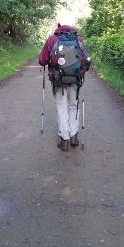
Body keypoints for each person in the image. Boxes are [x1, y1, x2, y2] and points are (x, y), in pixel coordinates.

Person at [38, 24, 91, 152]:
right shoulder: (78, 40)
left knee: (62, 108)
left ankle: (64, 141)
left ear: (58, 29)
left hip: (58, 80)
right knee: (73, 106)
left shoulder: (52, 39)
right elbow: (86, 61)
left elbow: (42, 60)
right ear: (73, 30)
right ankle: (74, 137)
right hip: (75, 80)